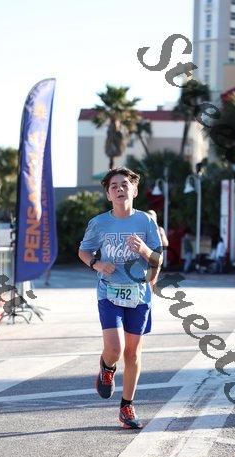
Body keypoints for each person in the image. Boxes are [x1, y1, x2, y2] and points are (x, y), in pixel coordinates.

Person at [78, 167, 162, 430]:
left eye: (125, 184)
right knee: (114, 348)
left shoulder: (146, 221)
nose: (119, 189)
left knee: (133, 352)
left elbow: (158, 259)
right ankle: (107, 367)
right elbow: (83, 251)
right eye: (113, 186)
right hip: (109, 291)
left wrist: (145, 250)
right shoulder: (99, 223)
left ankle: (127, 406)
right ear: (108, 194)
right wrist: (96, 264)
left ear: (134, 191)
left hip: (139, 294)